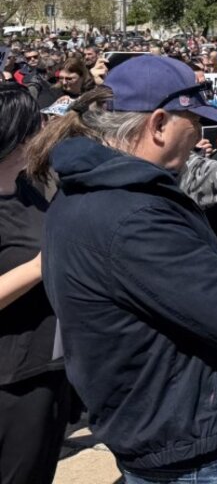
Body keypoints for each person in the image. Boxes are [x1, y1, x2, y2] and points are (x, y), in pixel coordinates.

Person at [40, 55, 217, 483]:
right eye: (192, 121)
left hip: (164, 427)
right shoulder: (134, 214)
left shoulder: (95, 190)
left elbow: (176, 273)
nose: (199, 136)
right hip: (193, 447)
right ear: (158, 124)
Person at [0, 83, 68, 484]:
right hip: (9, 378)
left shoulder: (36, 188)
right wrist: (42, 265)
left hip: (49, 366)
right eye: (39, 124)